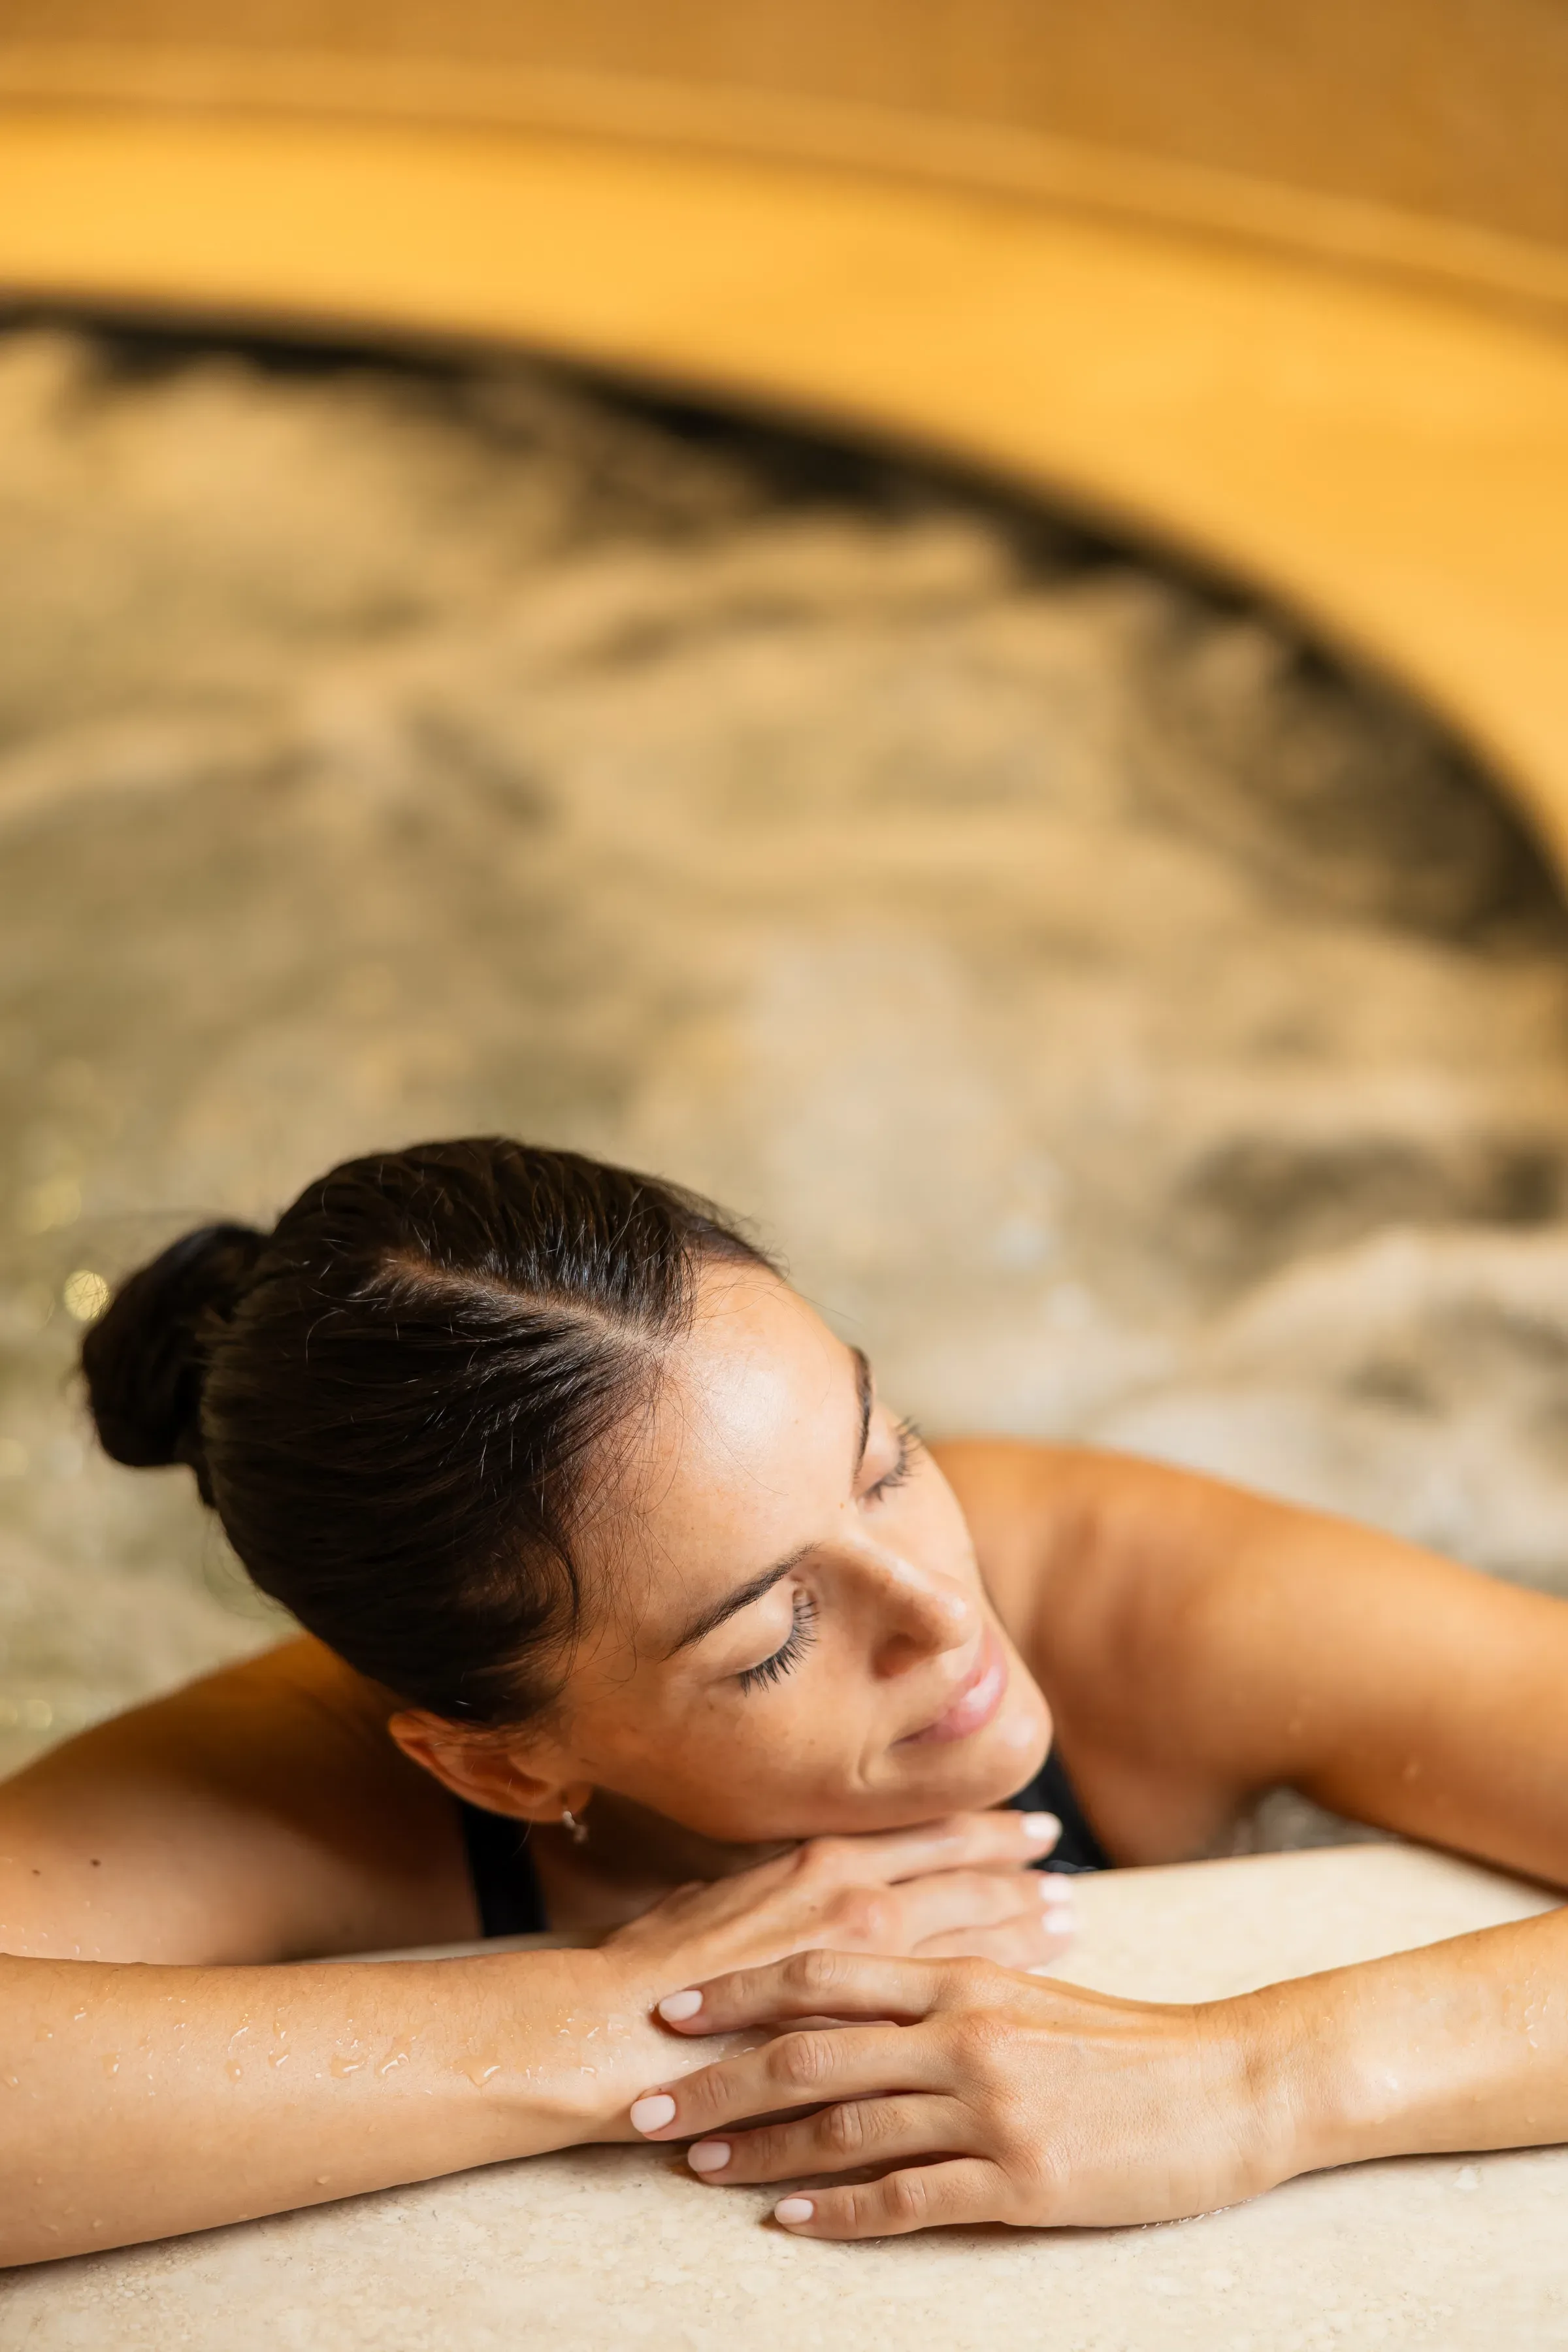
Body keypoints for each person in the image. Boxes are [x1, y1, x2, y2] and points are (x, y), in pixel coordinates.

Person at [2, 1137, 1565, 2268]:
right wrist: (598, 2022)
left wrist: (1255, 2081)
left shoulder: (1138, 1604)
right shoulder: (308, 1777)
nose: (949, 1617)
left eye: (888, 1457)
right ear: (494, 1760)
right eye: (771, 1632)